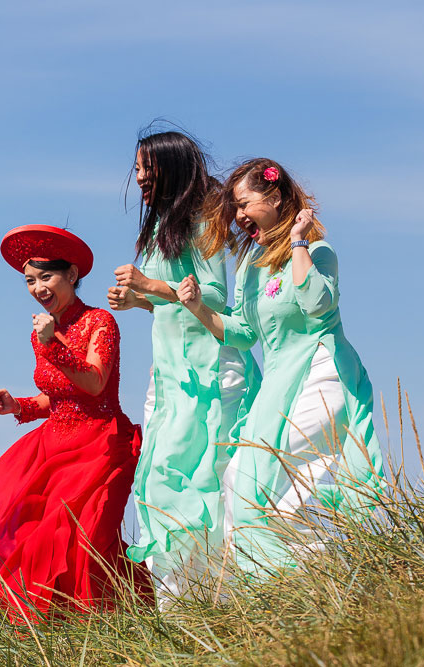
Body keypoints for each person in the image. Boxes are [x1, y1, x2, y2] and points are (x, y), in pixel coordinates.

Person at [177, 157, 385, 575]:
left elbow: (317, 303)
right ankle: (281, 584)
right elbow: (243, 332)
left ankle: (319, 573)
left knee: (290, 471)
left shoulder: (319, 252)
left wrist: (298, 242)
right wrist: (198, 308)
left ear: (275, 197)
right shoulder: (251, 267)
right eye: (235, 207)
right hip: (278, 383)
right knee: (242, 479)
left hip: (321, 372)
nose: (238, 216)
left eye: (244, 203)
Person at [0, 225, 150, 621]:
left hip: (99, 445)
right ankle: (48, 626)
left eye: (46, 277)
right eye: (30, 280)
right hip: (53, 445)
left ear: (73, 275)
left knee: (87, 544)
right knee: (1, 518)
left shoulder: (100, 322)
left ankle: (122, 618)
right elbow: (58, 396)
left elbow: (95, 384)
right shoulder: (42, 331)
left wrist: (54, 345)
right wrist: (19, 405)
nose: (37, 288)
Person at [107, 130, 259, 602]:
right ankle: (181, 601)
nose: (139, 179)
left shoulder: (202, 219)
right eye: (136, 170)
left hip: (210, 374)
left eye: (145, 168)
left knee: (207, 481)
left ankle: (223, 596)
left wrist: (151, 284)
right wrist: (139, 301)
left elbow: (212, 297)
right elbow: (175, 302)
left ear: (170, 166)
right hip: (170, 375)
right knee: (160, 480)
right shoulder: (158, 228)